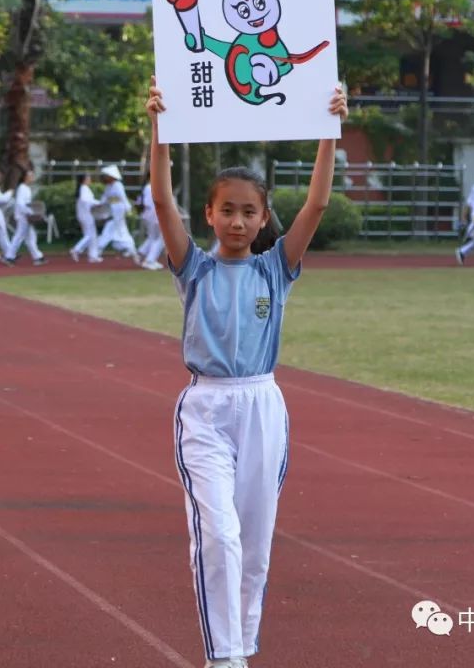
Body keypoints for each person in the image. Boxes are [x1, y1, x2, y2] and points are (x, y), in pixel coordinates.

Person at [146, 76, 348, 668]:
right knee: (220, 533)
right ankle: (224, 656)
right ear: (208, 214)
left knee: (254, 544)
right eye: (226, 210)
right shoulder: (194, 267)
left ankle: (244, 643)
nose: (236, 221)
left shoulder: (274, 270)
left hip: (263, 407)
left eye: (248, 212)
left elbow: (317, 204)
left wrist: (328, 129)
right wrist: (159, 125)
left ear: (263, 220)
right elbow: (161, 201)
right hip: (206, 408)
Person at [3, 167, 47, 266]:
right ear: (25, 178)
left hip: (26, 216)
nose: (32, 177)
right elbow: (20, 204)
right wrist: (29, 212)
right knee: (19, 237)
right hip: (23, 217)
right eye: (30, 175)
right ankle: (9, 256)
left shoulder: (26, 188)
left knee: (30, 237)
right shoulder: (23, 188)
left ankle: (38, 257)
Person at [97, 165, 135, 257]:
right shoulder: (108, 186)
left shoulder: (118, 185)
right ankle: (130, 249)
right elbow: (104, 199)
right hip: (112, 210)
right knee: (118, 230)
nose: (105, 177)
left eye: (107, 176)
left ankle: (99, 248)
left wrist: (128, 209)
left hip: (119, 210)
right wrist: (98, 205)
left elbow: (123, 198)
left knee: (117, 229)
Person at [70, 174, 103, 263]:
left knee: (92, 235)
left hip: (85, 214)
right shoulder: (83, 188)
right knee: (90, 235)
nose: (90, 180)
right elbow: (85, 200)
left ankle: (93, 256)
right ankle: (76, 249)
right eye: (88, 178)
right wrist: (98, 203)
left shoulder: (83, 188)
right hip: (86, 215)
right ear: (84, 180)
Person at [136, 176, 165, 270]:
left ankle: (141, 253)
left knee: (153, 237)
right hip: (154, 216)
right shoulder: (151, 188)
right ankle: (149, 260)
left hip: (149, 216)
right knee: (162, 238)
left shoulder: (147, 187)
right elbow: (150, 204)